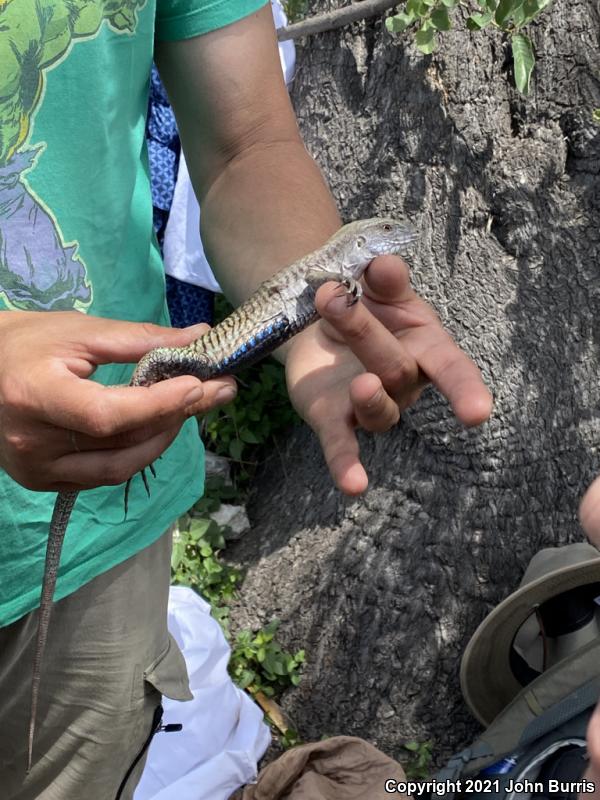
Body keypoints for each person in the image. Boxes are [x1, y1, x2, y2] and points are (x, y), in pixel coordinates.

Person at [0, 2, 494, 798]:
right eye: (382, 236)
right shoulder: (334, 271)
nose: (391, 241)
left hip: (105, 515)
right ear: (359, 251)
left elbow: (246, 144)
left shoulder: (333, 274)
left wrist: (318, 335)